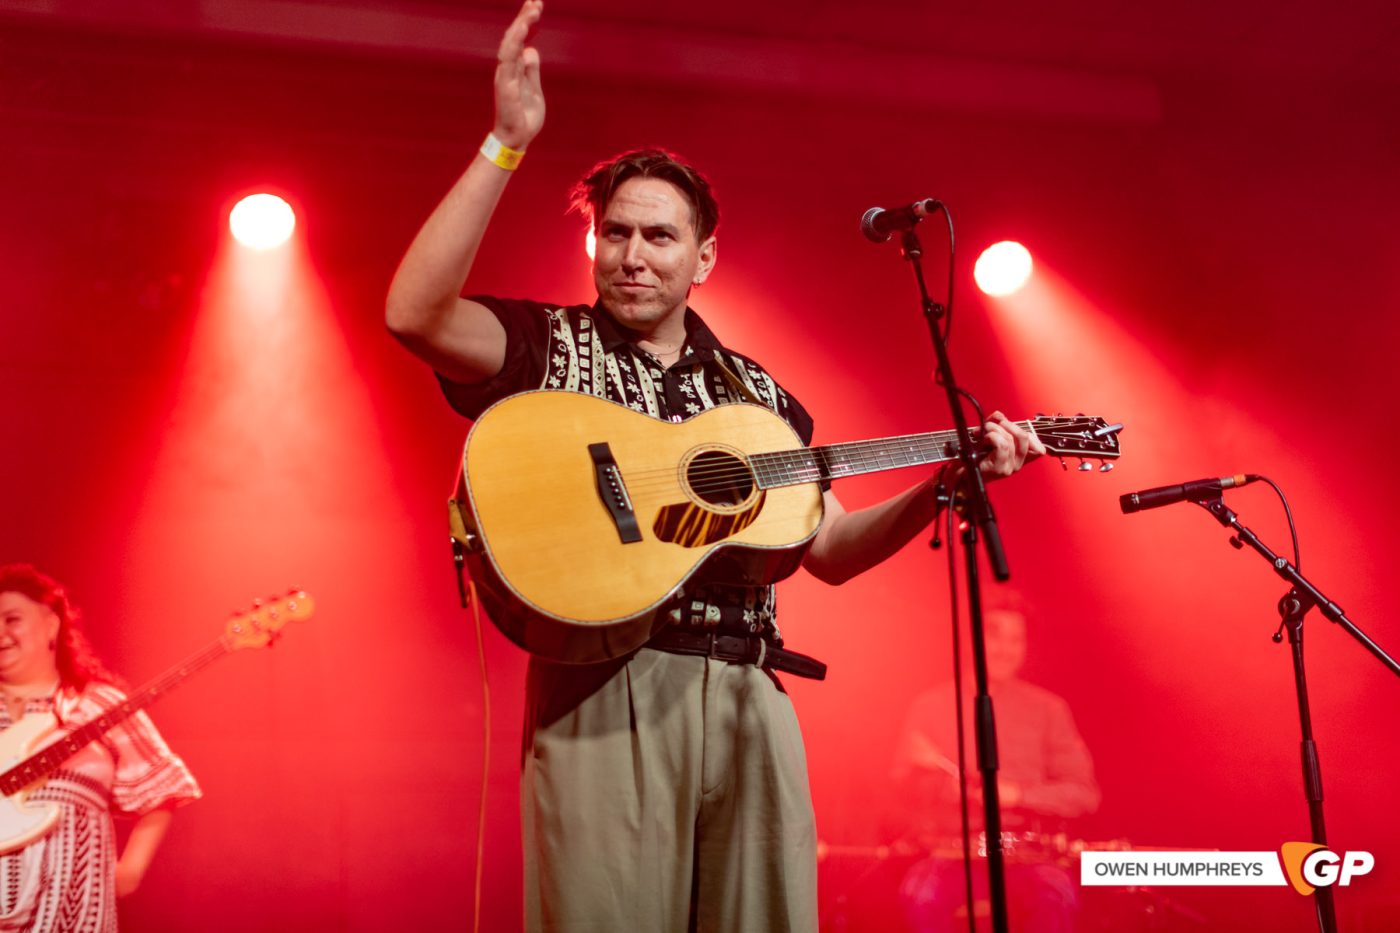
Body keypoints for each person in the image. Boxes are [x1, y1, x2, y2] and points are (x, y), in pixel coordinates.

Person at [385, 2, 1044, 929]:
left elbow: (830, 549)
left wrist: (943, 484)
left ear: (705, 258)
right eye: (616, 233)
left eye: (659, 238)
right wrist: (503, 143)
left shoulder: (760, 397)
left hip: (749, 694)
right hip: (604, 683)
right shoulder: (547, 345)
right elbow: (413, 313)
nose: (633, 256)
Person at [0, 564, 201, 932]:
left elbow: (162, 787)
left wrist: (130, 871)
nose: (1, 633)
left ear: (50, 625)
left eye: (12, 619)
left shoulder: (97, 705)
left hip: (72, 913)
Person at [890, 603, 1100, 933]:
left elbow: (1084, 794)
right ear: (971, 638)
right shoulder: (929, 706)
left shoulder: (1049, 710)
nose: (1005, 650)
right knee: (920, 894)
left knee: (1055, 895)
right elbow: (901, 790)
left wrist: (1017, 794)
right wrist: (943, 790)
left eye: (1016, 639)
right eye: (994, 636)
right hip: (952, 855)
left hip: (1028, 857)